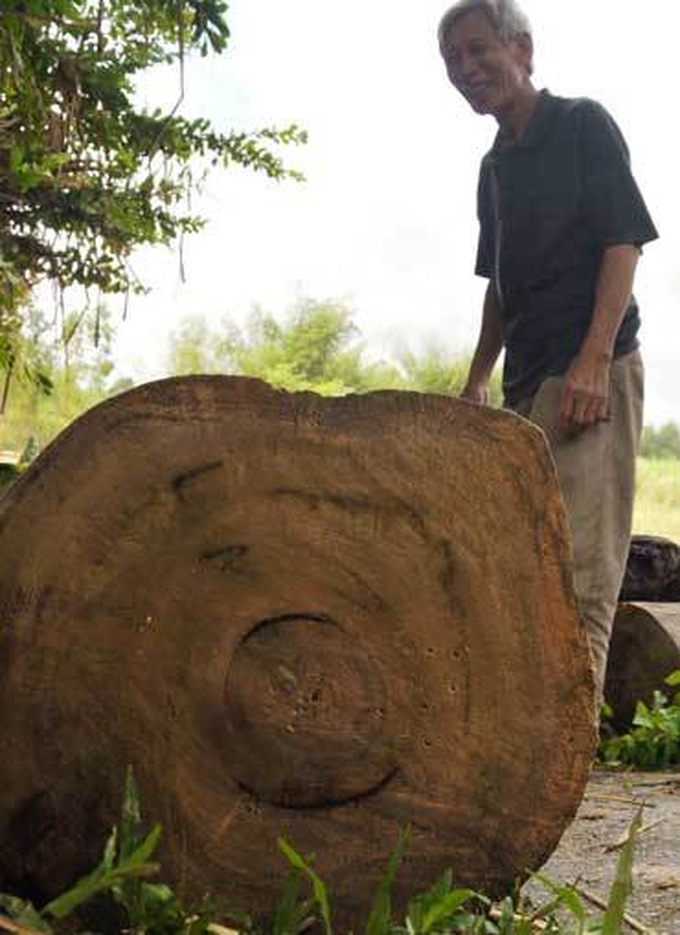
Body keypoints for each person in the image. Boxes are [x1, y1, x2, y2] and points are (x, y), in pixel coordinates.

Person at [437, 0, 658, 699]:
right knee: (526, 569)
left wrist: (594, 360)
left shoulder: (581, 125)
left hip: (589, 374)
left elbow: (623, 241)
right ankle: (530, 738)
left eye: (478, 50)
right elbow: (498, 285)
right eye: (453, 60)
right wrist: (478, 376)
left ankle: (573, 749)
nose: (466, 69)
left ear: (522, 49)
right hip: (528, 386)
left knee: (579, 579)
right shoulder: (493, 167)